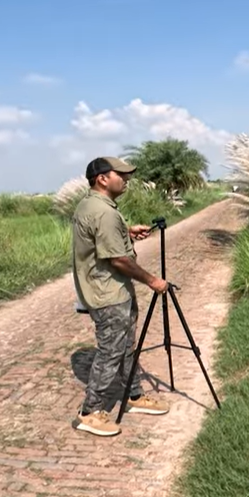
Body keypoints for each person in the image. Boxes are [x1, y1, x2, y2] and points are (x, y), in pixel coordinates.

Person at [71, 156, 172, 437]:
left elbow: (98, 235)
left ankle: (134, 396)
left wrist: (126, 231)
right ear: (102, 178)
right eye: (121, 175)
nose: (126, 180)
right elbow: (118, 259)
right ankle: (89, 412)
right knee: (111, 351)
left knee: (126, 346)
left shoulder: (91, 205)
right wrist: (153, 281)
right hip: (108, 293)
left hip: (110, 290)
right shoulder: (104, 212)